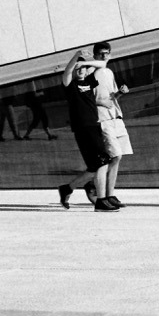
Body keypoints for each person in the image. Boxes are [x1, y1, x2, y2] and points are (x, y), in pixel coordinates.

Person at [57, 50, 117, 211]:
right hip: (83, 128)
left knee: (94, 166)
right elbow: (68, 71)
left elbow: (102, 65)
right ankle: (101, 201)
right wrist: (76, 57)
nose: (81, 70)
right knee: (102, 161)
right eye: (78, 69)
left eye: (83, 68)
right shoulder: (70, 84)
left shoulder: (89, 81)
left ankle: (68, 188)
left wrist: (85, 63)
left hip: (95, 125)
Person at [92, 42, 132, 208]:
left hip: (116, 118)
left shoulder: (108, 72)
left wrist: (120, 93)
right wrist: (99, 101)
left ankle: (110, 194)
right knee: (115, 156)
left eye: (106, 53)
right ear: (95, 55)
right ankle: (97, 189)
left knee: (117, 157)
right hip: (103, 120)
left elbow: (112, 97)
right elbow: (85, 98)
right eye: (101, 53)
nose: (104, 56)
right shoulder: (91, 74)